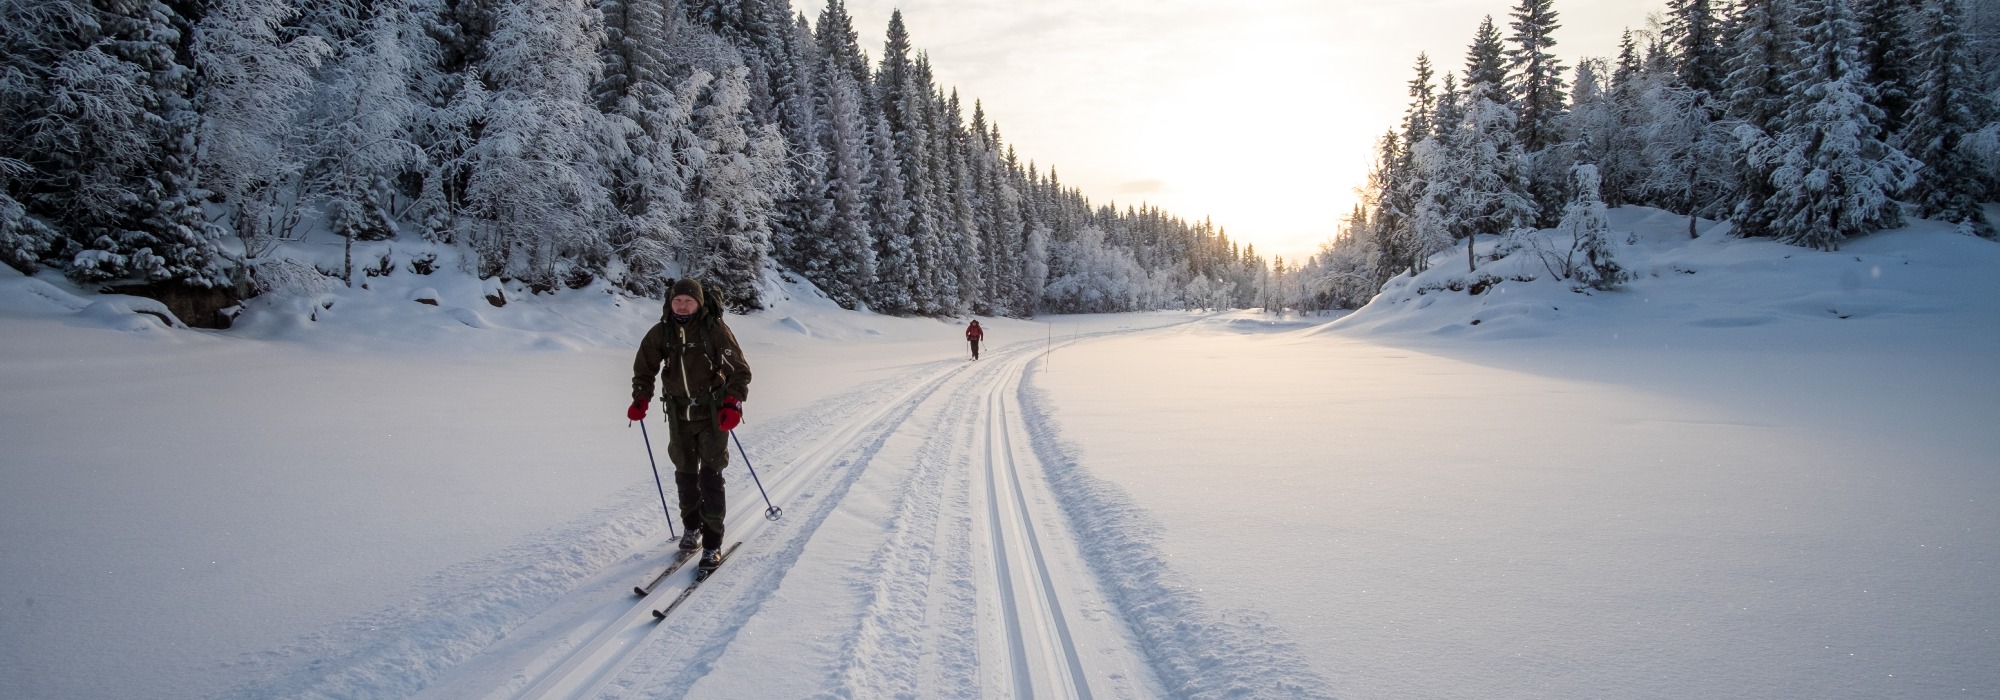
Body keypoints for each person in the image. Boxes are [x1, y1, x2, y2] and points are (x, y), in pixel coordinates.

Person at [627, 278, 751, 576]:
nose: (682, 305)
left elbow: (740, 371)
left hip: (712, 414)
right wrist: (640, 398)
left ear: (699, 303)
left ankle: (712, 542)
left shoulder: (715, 330)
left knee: (710, 475)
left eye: (689, 300)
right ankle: (691, 528)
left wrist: (733, 404)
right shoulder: (662, 333)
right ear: (670, 302)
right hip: (678, 413)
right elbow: (644, 369)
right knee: (684, 474)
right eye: (678, 300)